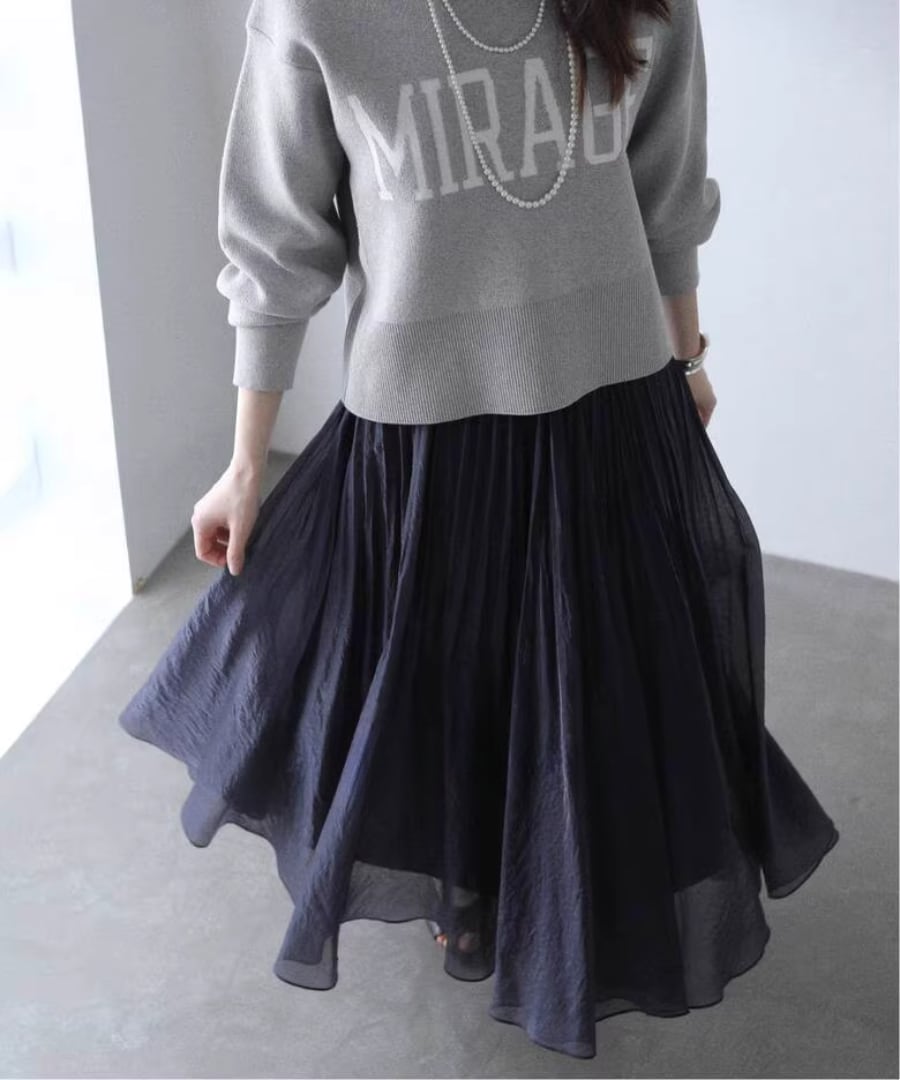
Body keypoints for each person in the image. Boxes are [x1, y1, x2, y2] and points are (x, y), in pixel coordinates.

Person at [119, 0, 840, 1061]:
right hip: (425, 429)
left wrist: (687, 356)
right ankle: (473, 886)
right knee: (449, 686)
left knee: (607, 672)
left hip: (612, 400)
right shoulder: (317, 11)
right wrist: (243, 465)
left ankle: (573, 884)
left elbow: (667, 188)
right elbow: (278, 240)